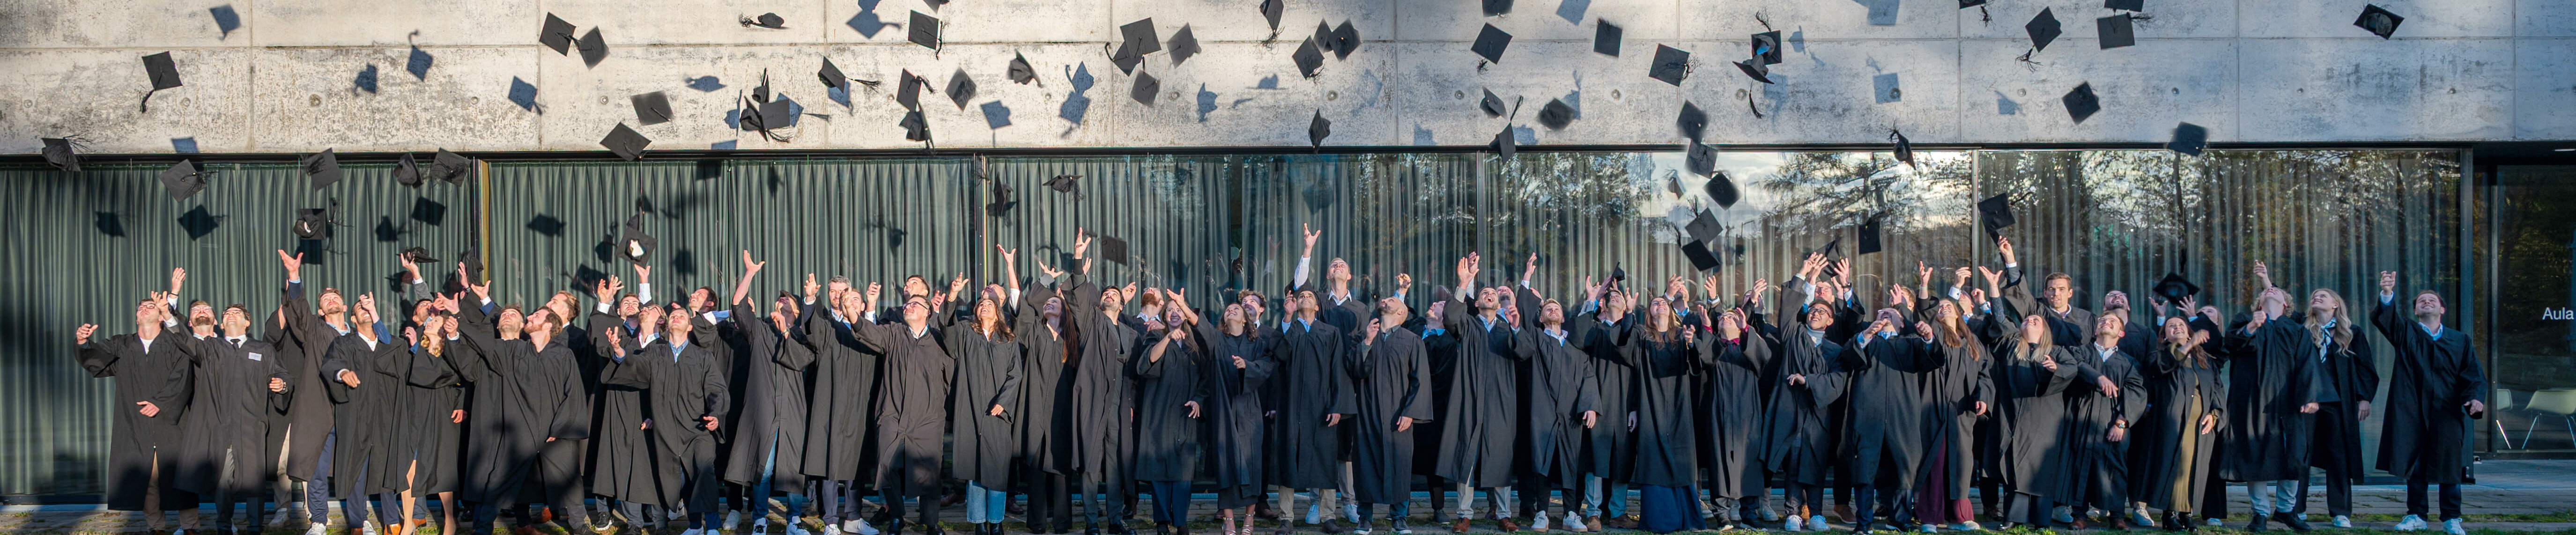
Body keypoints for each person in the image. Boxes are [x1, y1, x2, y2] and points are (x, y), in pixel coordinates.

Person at [78, 284, 203, 535]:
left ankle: (190, 527)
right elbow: (95, 359)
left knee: (180, 476)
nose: (145, 309)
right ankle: (155, 527)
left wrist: (161, 402)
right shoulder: (122, 345)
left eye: (150, 307)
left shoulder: (174, 343)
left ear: (160, 315)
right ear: (136, 317)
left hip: (172, 421)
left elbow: (183, 376)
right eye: (141, 308)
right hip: (135, 424)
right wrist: (83, 342)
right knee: (148, 479)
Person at [2370, 271, 2486, 535]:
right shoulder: (2406, 332)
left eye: (2432, 300)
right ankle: (2416, 515)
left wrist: (2475, 398)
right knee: (2416, 464)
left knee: (2450, 465)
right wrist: (2387, 292)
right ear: (2415, 311)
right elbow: (2385, 319)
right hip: (2411, 410)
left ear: (2442, 309)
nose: (2427, 302)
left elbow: (2473, 375)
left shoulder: (2459, 340)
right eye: (2421, 300)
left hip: (2446, 411)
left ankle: (2452, 518)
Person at [602, 302, 733, 535]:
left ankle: (712, 527)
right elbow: (637, 368)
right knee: (681, 478)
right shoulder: (655, 352)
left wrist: (714, 415)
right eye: (673, 315)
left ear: (690, 326)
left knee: (704, 472)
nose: (676, 318)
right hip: (666, 431)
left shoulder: (701, 356)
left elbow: (717, 389)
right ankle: (694, 526)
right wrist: (620, 352)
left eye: (682, 316)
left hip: (697, 428)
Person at [848, 286, 959, 535]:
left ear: (928, 313)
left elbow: (951, 382)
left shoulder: (941, 342)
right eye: (908, 305)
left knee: (930, 473)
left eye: (915, 305)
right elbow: (868, 333)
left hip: (928, 418)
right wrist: (853, 311)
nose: (908, 306)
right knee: (886, 467)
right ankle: (897, 516)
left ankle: (931, 522)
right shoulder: (895, 333)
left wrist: (949, 416)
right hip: (892, 414)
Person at [2223, 264, 2321, 533]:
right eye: (2268, 290)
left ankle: (2287, 511)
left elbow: (2308, 364)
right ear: (2259, 301)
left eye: (2278, 291)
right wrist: (2253, 326)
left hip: (2289, 402)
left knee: (2294, 457)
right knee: (2256, 455)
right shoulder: (2245, 321)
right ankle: (2260, 513)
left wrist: (2312, 396)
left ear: (2287, 303)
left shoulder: (2297, 329)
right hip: (2254, 402)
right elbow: (2230, 345)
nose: (2272, 290)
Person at [1983, 268, 2080, 530]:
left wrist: (2055, 370)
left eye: (2037, 320)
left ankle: (2041, 520)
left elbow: (2071, 371)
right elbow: (2001, 320)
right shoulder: (2012, 347)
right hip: (2013, 414)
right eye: (2027, 320)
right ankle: (2013, 518)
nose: (2031, 321)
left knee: (2041, 469)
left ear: (2046, 329)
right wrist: (1994, 289)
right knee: (2015, 466)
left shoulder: (2058, 352)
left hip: (2045, 418)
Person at [1759, 254, 1850, 533]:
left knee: (1816, 462)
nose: (1815, 313)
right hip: (1791, 409)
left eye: (1822, 312)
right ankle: (1793, 513)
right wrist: (1802, 273)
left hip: (1818, 413)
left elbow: (1837, 380)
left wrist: (1807, 380)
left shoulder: (1835, 350)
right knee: (1795, 461)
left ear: (1830, 321)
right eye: (1813, 310)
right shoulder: (1794, 335)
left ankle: (1818, 514)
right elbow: (1788, 308)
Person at [1434, 254, 1522, 533]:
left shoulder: (1508, 329)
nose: (1488, 295)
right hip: (1469, 396)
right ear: (1477, 302)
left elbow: (1525, 353)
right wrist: (1464, 282)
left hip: (1500, 399)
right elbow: (1450, 317)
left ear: (1498, 304)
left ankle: (1504, 514)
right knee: (1466, 452)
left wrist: (1518, 328)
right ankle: (1464, 514)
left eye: (1492, 294)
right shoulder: (1469, 325)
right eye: (1483, 293)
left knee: (1500, 454)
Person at [1063, 233, 1140, 535]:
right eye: (1105, 293)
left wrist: (1130, 404)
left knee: (1116, 465)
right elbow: (1081, 294)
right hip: (1093, 402)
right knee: (1091, 465)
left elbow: (1134, 373)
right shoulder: (1090, 321)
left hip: (1118, 407)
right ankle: (1092, 522)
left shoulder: (1130, 334)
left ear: (1122, 305)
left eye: (1114, 295)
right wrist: (1078, 260)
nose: (1108, 295)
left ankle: (1115, 520)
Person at [1509, 276, 1599, 533]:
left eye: (1557, 307)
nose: (1553, 309)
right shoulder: (1537, 339)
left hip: (1571, 413)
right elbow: (1522, 349)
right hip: (1543, 413)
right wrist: (1516, 328)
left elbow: (1588, 376)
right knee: (1543, 461)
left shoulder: (1575, 346)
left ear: (1563, 316)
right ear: (1541, 318)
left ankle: (1572, 514)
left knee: (1572, 463)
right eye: (1547, 307)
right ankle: (1542, 514)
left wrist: (1590, 405)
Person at [318, 292, 412, 535]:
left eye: (369, 308)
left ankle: (392, 521)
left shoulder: (392, 343)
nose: (365, 309)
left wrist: (375, 314)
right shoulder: (344, 343)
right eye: (360, 307)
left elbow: (402, 363)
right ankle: (357, 524)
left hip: (386, 416)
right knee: (355, 470)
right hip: (356, 415)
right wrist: (342, 373)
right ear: (353, 318)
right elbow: (330, 364)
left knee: (387, 466)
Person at [949, 256, 1027, 535]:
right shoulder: (966, 333)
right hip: (970, 409)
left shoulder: (1008, 340)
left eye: (989, 305)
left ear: (998, 312)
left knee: (996, 470)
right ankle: (978, 523)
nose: (984, 306)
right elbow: (946, 334)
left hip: (997, 414)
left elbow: (1016, 375)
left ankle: (996, 522)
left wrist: (1003, 403)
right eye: (981, 304)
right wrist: (952, 298)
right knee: (975, 470)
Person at [1344, 297, 1434, 535]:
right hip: (1367, 411)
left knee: (1400, 464)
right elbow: (1355, 371)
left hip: (1399, 413)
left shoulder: (1412, 340)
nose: (1384, 300)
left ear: (1402, 312)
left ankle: (1399, 517)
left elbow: (1420, 381)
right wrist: (1367, 342)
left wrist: (1411, 413)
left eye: (1391, 299)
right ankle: (1365, 518)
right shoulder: (1363, 337)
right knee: (1365, 462)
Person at [1272, 286, 1357, 535]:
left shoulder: (1330, 332)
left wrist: (1337, 406)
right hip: (1292, 407)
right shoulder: (1290, 328)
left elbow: (1338, 372)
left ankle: (1328, 516)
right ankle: (1286, 517)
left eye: (1310, 297)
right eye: (1301, 297)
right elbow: (1280, 356)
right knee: (1288, 456)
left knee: (1324, 458)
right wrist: (1287, 319)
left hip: (1322, 407)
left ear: (1318, 307)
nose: (1305, 298)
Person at [2132, 309, 2226, 532]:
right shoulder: (2159, 354)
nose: (2178, 328)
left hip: (2200, 423)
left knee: (2193, 466)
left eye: (2182, 325)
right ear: (2164, 335)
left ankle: (2187, 512)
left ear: (2189, 331)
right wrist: (2187, 346)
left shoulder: (2204, 360)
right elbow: (2159, 370)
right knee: (2175, 465)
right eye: (2172, 326)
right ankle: (2170, 514)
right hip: (2171, 422)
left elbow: (2217, 389)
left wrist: (2215, 415)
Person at [2291, 288, 2376, 529]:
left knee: (2339, 456)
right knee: (2302, 454)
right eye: (2314, 295)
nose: (2316, 297)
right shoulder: (2302, 330)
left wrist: (2364, 398)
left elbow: (2365, 368)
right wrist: (2267, 282)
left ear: (2336, 305)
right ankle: (2297, 509)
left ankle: (2340, 512)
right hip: (2307, 401)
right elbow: (2281, 305)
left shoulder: (2351, 334)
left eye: (2323, 295)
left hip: (2339, 403)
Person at [1911, 292, 1992, 533]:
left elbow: (1985, 374)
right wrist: (1924, 287)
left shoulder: (1973, 342)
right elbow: (1924, 314)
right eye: (1941, 307)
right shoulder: (1934, 333)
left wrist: (1984, 398)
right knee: (1933, 461)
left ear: (1959, 313)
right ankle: (1929, 517)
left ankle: (1960, 515)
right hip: (1932, 406)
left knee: (1961, 462)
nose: (1945, 308)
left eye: (1949, 306)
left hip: (1961, 411)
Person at [1622, 296, 1703, 535]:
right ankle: (1660, 519)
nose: (1660, 305)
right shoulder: (1641, 335)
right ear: (1649, 311)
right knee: (1654, 456)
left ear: (1670, 310)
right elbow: (1626, 355)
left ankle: (1687, 516)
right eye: (1655, 303)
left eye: (1664, 303)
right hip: (1651, 404)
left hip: (1679, 406)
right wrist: (1628, 312)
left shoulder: (1682, 336)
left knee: (1681, 456)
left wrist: (1691, 344)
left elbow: (1697, 367)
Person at [1698, 281, 1774, 531]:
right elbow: (1703, 359)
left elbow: (1765, 357)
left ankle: (1749, 513)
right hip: (1719, 411)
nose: (1726, 319)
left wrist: (1747, 330)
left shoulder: (1747, 347)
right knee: (1719, 460)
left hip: (1747, 414)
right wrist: (1708, 326)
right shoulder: (1716, 348)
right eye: (1723, 318)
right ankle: (1722, 513)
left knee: (1749, 462)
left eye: (1732, 317)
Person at [1201, 298, 1280, 535]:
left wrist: (1247, 366)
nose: (1231, 310)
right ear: (1224, 319)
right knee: (1225, 463)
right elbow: (1200, 326)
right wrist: (1183, 306)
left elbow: (1267, 367)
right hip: (1224, 410)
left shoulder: (1257, 343)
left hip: (1249, 410)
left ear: (1246, 319)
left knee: (1252, 464)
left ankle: (1249, 519)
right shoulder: (1218, 341)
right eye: (1228, 310)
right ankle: (1229, 520)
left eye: (1236, 309)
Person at [2061, 315, 2145, 530]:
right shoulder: (2080, 352)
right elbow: (2075, 366)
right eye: (2102, 320)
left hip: (2113, 422)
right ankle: (2079, 515)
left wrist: (2122, 422)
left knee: (2116, 468)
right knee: (2081, 466)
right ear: (2095, 330)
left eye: (2113, 322)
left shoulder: (2129, 362)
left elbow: (2137, 391)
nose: (2106, 322)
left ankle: (2117, 516)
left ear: (2121, 334)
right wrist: (2098, 377)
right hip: (2082, 419)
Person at [1134, 289, 1207, 535]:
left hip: (1185, 413)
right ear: (1164, 317)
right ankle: (1162, 522)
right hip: (1158, 412)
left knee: (1183, 470)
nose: (1174, 314)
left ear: (1185, 316)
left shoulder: (1195, 345)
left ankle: (1182, 521)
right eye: (1170, 311)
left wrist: (1198, 400)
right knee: (1158, 469)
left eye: (1179, 310)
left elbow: (1205, 380)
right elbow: (1148, 362)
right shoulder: (1155, 337)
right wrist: (1167, 338)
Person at [1018, 254, 1081, 535]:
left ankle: (1063, 523)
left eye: (1054, 302)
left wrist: (1073, 276)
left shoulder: (1073, 339)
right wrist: (1046, 281)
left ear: (1065, 311)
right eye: (1047, 303)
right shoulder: (1034, 333)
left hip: (1063, 409)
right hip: (1035, 407)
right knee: (1036, 467)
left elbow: (1083, 305)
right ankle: (1037, 524)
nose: (1048, 304)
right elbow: (1028, 302)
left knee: (1061, 467)